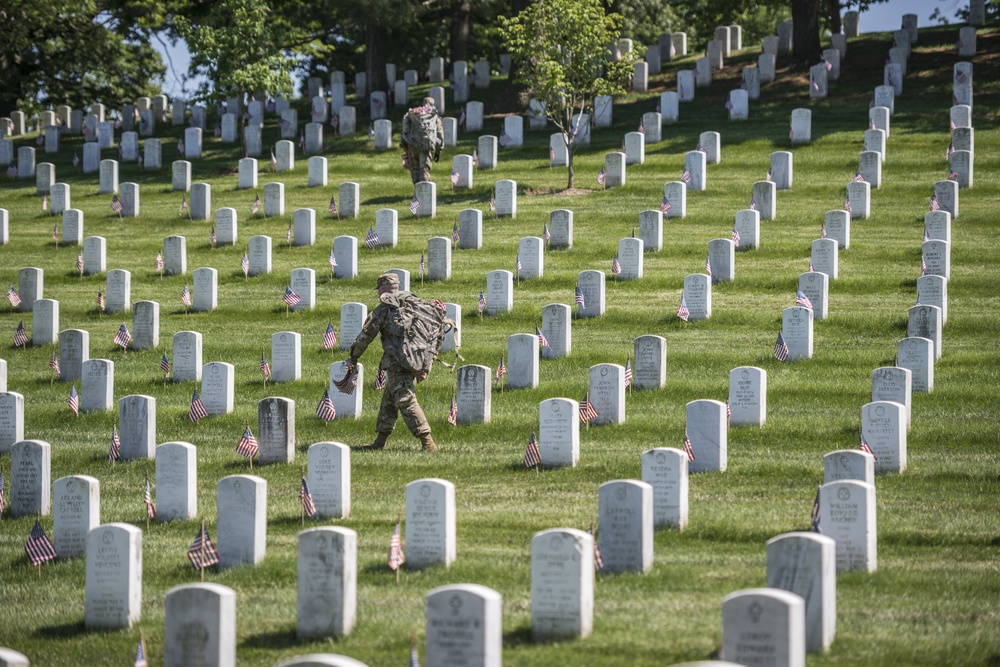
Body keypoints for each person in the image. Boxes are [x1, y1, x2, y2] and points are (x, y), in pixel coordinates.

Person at [349, 273, 437, 451]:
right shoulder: (414, 304)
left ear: (382, 290)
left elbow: (365, 336)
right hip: (416, 360)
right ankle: (379, 442)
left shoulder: (384, 309)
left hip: (398, 363)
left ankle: (428, 442)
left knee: (405, 399)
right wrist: (424, 366)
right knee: (389, 400)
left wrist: (354, 357)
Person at [400, 97, 444, 189]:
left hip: (412, 145)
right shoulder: (434, 117)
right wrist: (438, 151)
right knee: (424, 169)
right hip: (425, 146)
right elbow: (439, 135)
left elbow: (405, 130)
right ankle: (425, 192)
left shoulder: (413, 114)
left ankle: (417, 191)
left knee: (415, 168)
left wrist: (404, 145)